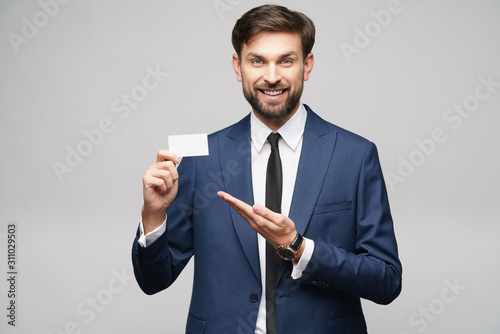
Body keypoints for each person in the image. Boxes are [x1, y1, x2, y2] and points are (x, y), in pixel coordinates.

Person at [132, 4, 402, 334]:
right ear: (238, 66)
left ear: (307, 65)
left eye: (285, 60)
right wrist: (154, 215)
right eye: (257, 60)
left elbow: (386, 281)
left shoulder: (355, 156)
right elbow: (153, 281)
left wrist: (300, 247)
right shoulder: (200, 158)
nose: (271, 76)